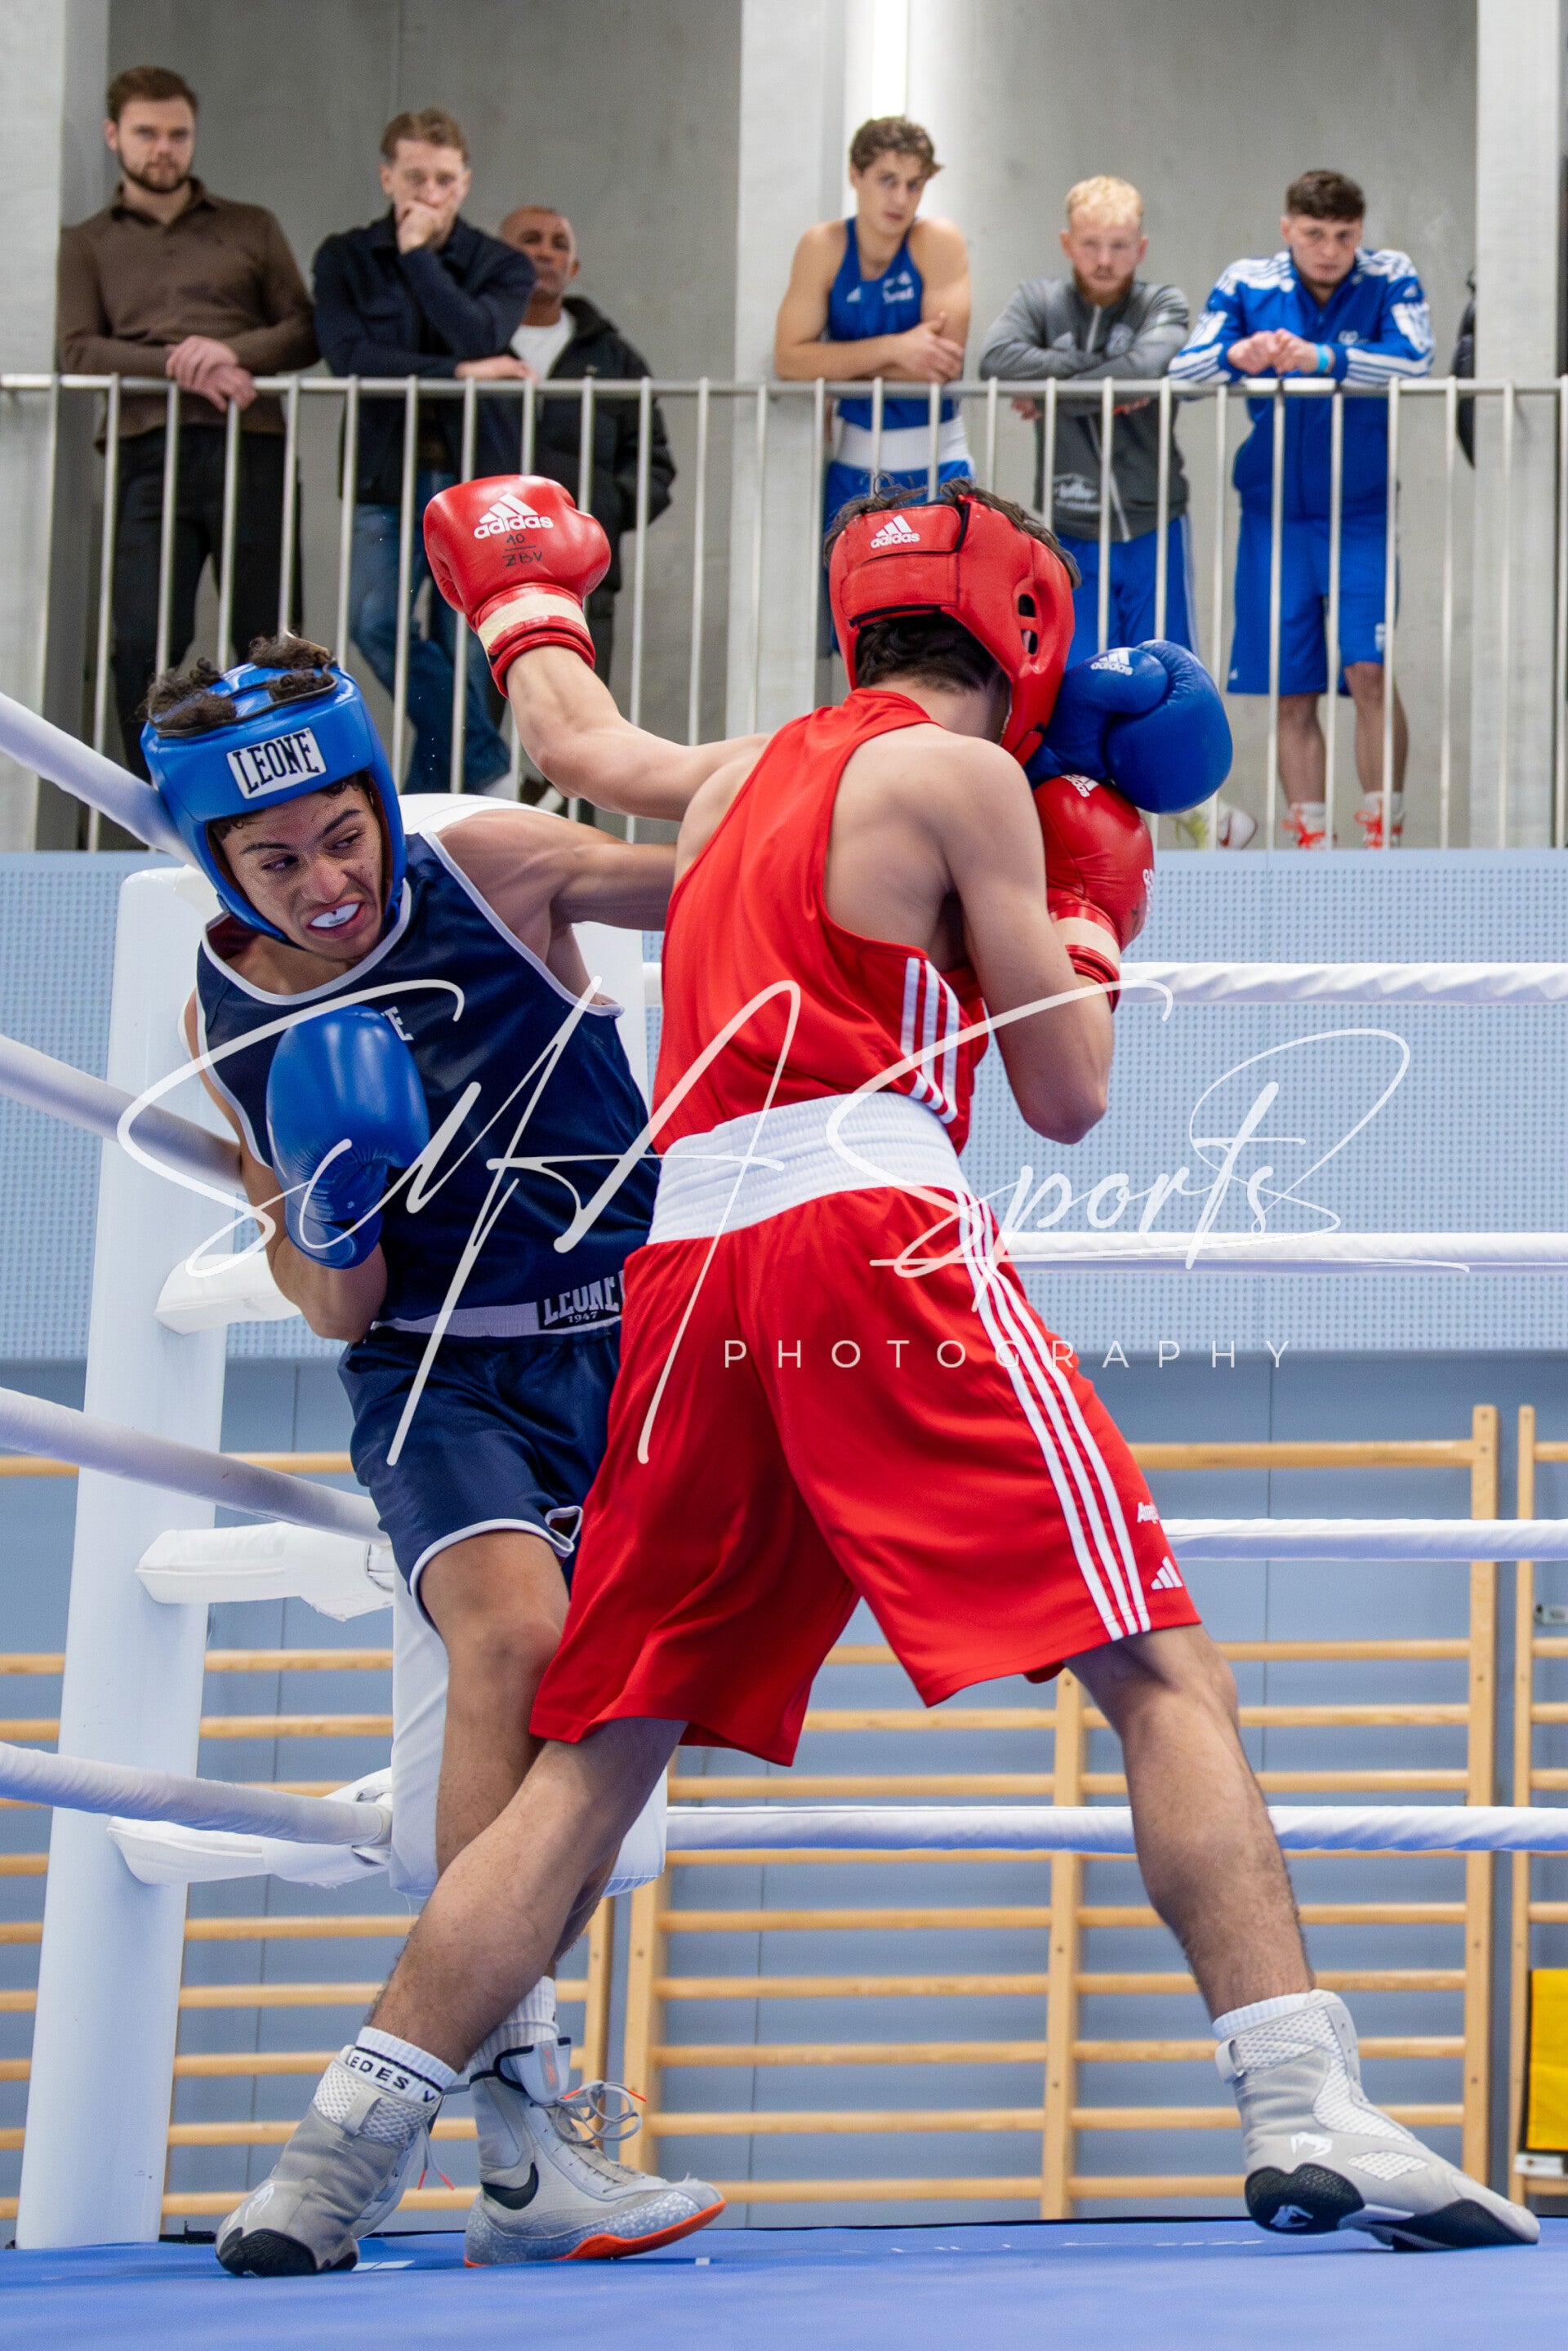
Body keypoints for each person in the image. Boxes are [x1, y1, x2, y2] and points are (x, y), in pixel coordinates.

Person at [212, 470, 1532, 2273]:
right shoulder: (966, 782)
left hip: (685, 1268)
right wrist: (1089, 902)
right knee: (1160, 1666)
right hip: (869, 1234)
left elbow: (578, 741)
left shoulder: (746, 771)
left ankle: (331, 2157)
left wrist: (525, 607)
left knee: (598, 1752)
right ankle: (1303, 2097)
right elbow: (1068, 1096)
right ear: (1029, 636)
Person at [141, 629, 721, 2264]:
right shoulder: (227, 1007)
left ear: (381, 797)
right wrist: (332, 1204)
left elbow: (730, 889)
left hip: (631, 1344)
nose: (327, 883)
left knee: (599, 1727)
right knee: (513, 1639)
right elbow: (332, 1298)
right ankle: (524, 2125)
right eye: (276, 860)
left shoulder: (494, 867)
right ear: (215, 860)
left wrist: (955, 813)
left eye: (344, 834)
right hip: (437, 1372)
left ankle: (520, 2148)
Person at [56, 65, 317, 778]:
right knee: (142, 639)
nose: (163, 148)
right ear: (114, 135)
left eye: (177, 134)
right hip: (147, 449)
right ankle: (151, 801)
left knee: (272, 640)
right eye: (146, 133)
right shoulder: (87, 241)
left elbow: (303, 329)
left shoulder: (250, 225)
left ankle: (275, 796)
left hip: (250, 443)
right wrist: (183, 363)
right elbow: (78, 348)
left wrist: (229, 352)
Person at [979, 174, 1252, 853]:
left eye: (1120, 246)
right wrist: (1108, 372)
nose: (1105, 260)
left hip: (1154, 519)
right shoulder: (1038, 301)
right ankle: (1085, 831)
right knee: (1076, 683)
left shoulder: (1163, 301)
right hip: (1070, 532)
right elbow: (997, 359)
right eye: (1091, 245)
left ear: (1142, 247)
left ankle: (1196, 810)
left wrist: (1052, 384)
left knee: (1171, 678)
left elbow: (1151, 364)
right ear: (1067, 242)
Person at [1172, 169, 1433, 848]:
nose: (1329, 250)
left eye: (1344, 235)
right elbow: (1184, 371)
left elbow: (1416, 359)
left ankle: (1383, 837)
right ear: (1287, 228)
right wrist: (1239, 353)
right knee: (1291, 689)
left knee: (1368, 669)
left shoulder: (1390, 274)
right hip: (1275, 514)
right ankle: (1312, 842)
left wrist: (1323, 357)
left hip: (1362, 512)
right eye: (1314, 234)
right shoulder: (1247, 281)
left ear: (1360, 232)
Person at [313, 109, 536, 794]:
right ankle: (488, 760)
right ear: (387, 178)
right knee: (372, 622)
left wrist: (418, 258)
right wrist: (460, 373)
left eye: (444, 179)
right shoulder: (345, 257)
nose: (430, 193)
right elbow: (349, 355)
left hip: (473, 477)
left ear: (464, 182)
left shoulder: (501, 264)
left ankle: (426, 810)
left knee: (463, 639)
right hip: (385, 468)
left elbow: (480, 332)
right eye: (415, 178)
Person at [495, 207, 675, 682]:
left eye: (559, 245)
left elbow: (654, 463)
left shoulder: (614, 358)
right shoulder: (474, 346)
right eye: (530, 240)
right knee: (473, 718)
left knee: (578, 713)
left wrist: (602, 514)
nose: (545, 252)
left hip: (581, 574)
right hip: (486, 567)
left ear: (573, 268)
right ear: (497, 258)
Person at [774, 114, 973, 535]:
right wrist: (895, 349)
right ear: (855, 176)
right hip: (853, 470)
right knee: (848, 580)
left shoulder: (938, 240)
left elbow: (941, 366)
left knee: (942, 581)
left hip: (940, 468)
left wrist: (832, 365)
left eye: (914, 184)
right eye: (887, 180)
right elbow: (789, 360)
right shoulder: (823, 246)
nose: (901, 198)